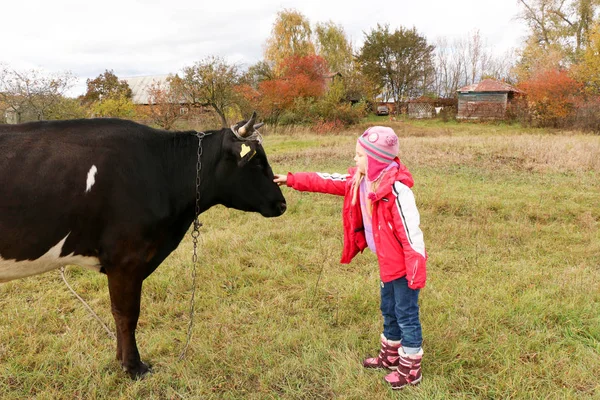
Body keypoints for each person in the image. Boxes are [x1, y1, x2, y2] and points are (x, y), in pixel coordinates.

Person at [273, 126, 427, 390]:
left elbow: (412, 234)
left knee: (406, 314)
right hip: (387, 264)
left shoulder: (398, 191)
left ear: (375, 159)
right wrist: (291, 179)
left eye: (359, 155)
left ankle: (411, 367)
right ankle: (390, 356)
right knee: (388, 310)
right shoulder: (361, 180)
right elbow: (326, 180)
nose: (355, 159)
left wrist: (415, 271)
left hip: (403, 268)